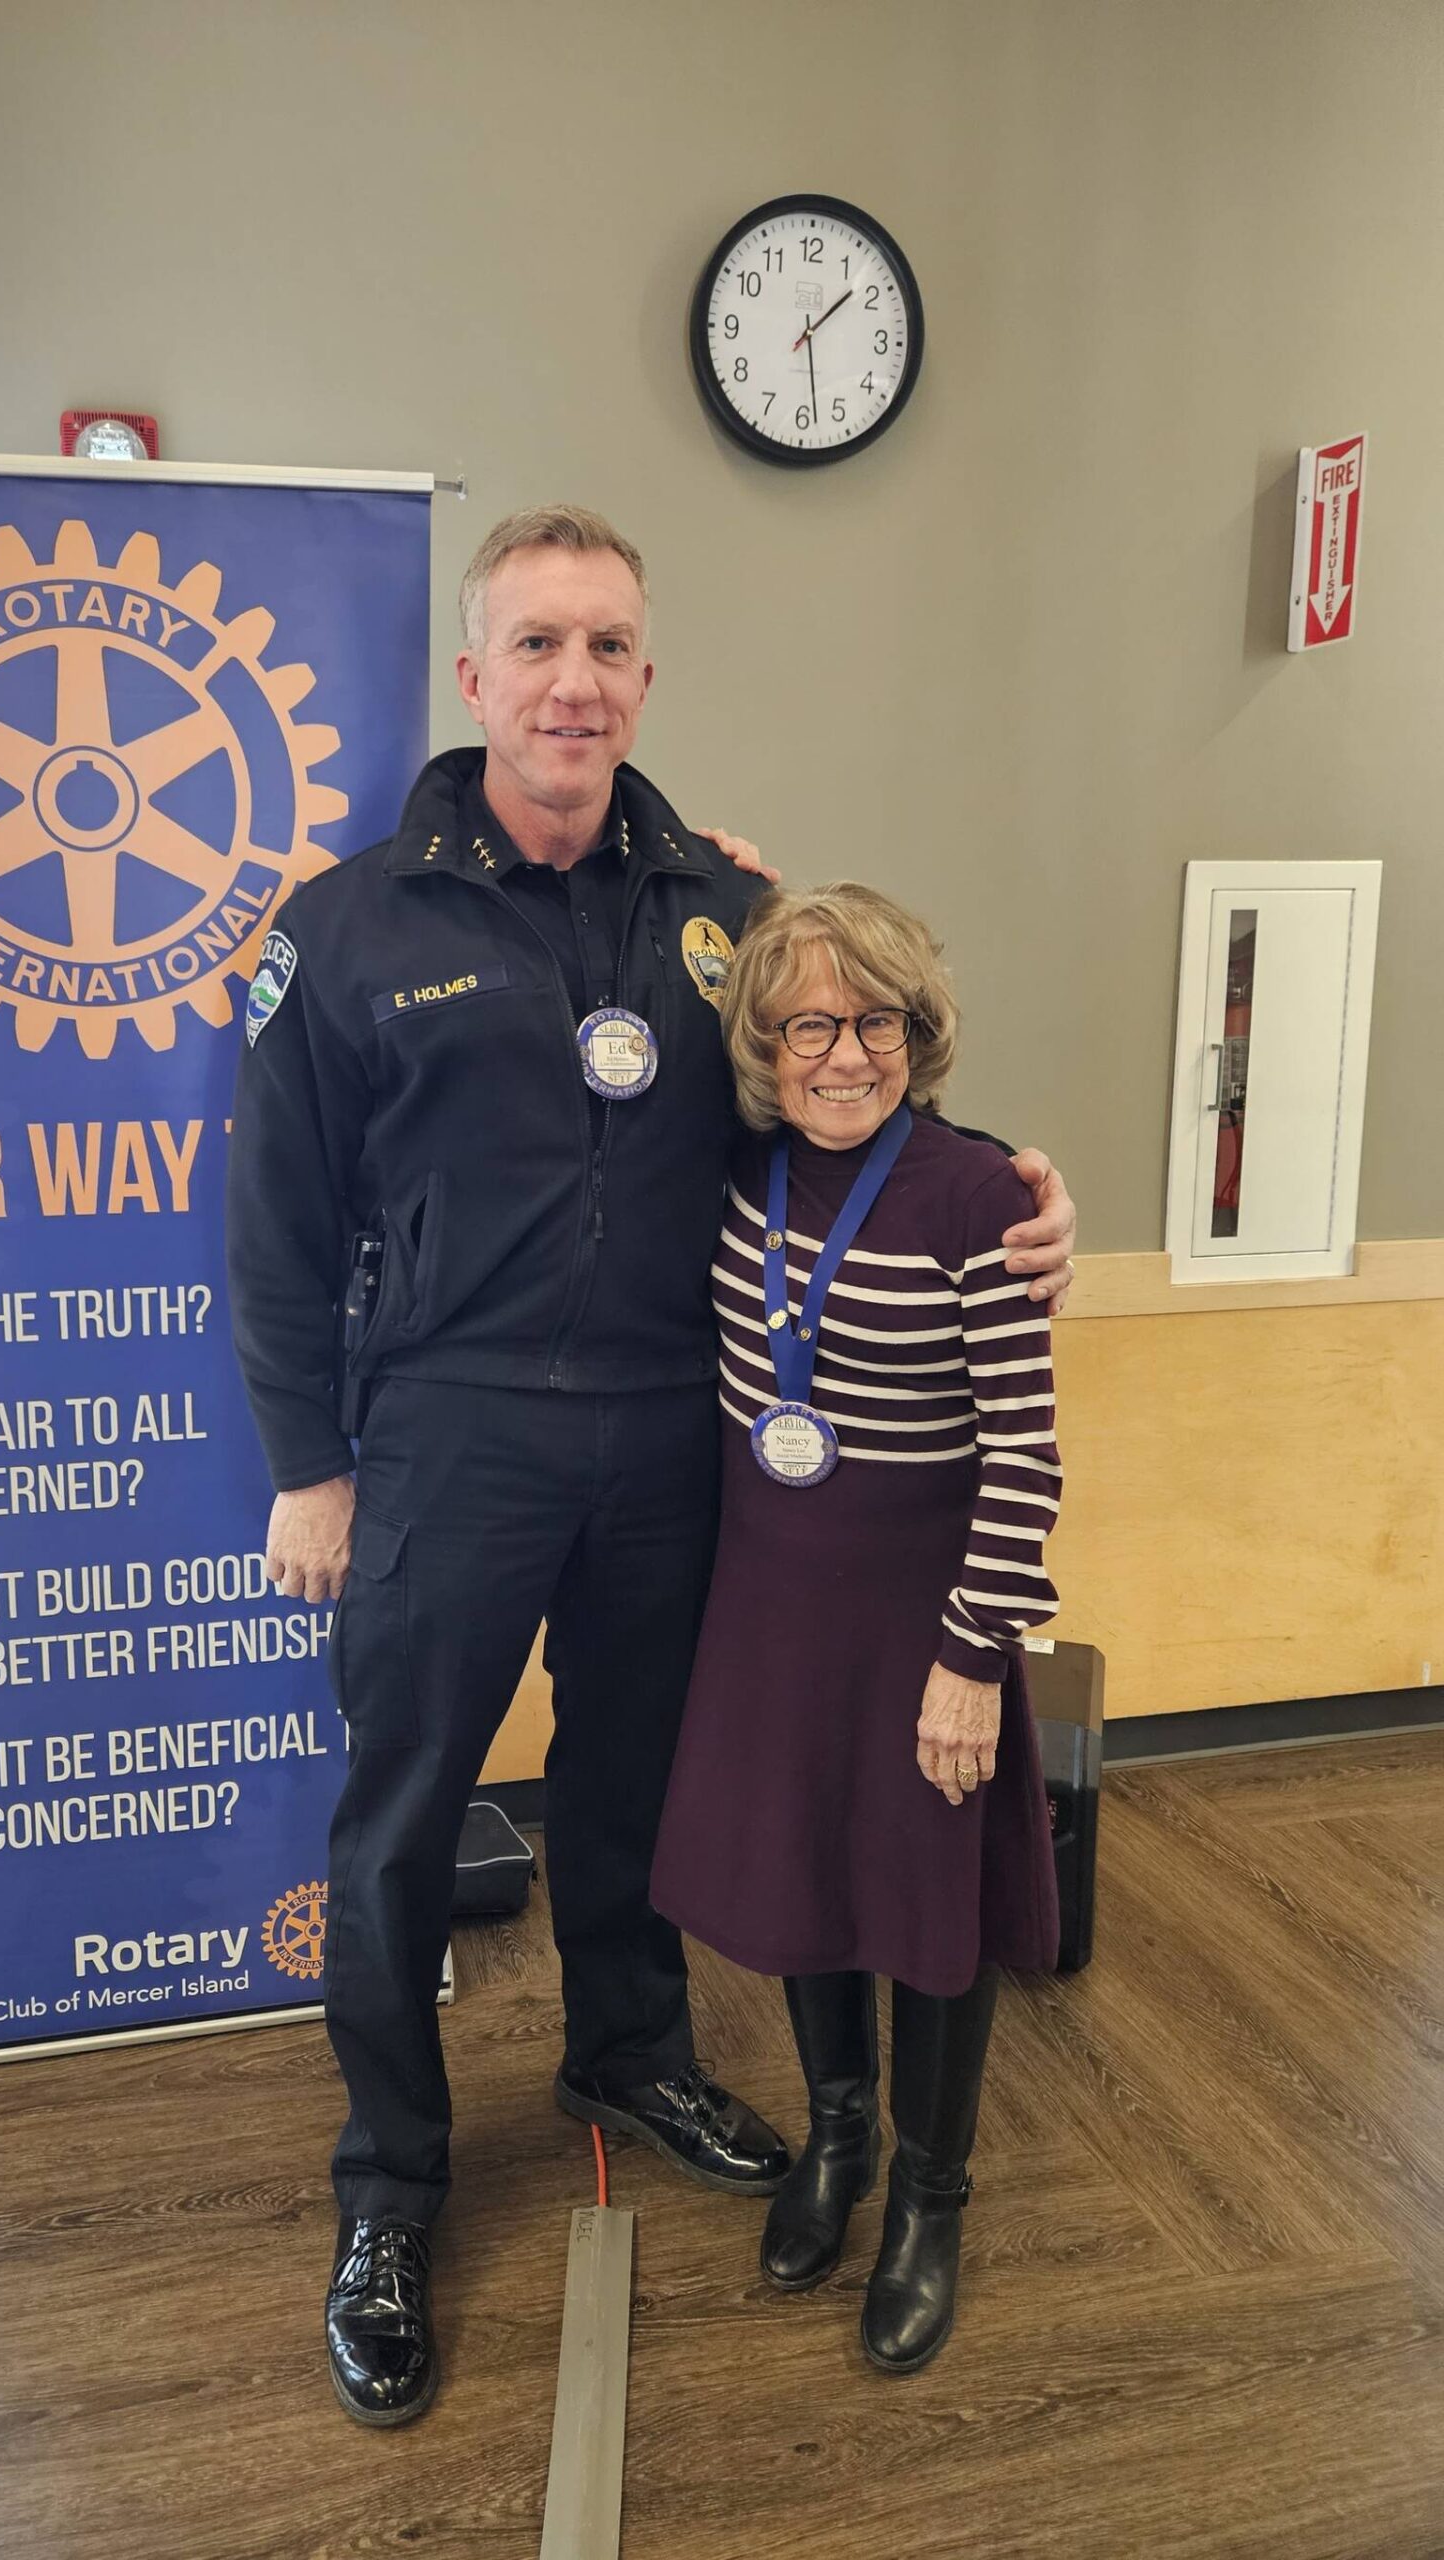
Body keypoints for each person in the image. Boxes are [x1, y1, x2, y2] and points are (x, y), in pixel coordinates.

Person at [224, 505, 1076, 2426]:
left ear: (645, 678)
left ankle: (627, 2048)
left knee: (630, 1779)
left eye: (607, 647)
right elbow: (270, 1221)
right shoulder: (345, 928)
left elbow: (844, 1089)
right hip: (446, 1434)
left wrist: (1019, 1189)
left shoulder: (721, 914)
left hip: (677, 1435)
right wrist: (306, 1460)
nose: (573, 682)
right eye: (537, 645)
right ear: (474, 677)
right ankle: (391, 2190)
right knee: (407, 1816)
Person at [649, 881, 1064, 2377]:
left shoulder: (978, 1198)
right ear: (762, 1042)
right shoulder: (737, 1174)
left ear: (916, 1027)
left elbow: (1026, 1457)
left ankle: (928, 2207)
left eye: (873, 1019)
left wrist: (971, 1663)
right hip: (771, 1611)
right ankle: (835, 2144)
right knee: (809, 1886)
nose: (844, 1053)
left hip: (920, 1628)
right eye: (809, 1022)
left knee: (929, 1926)